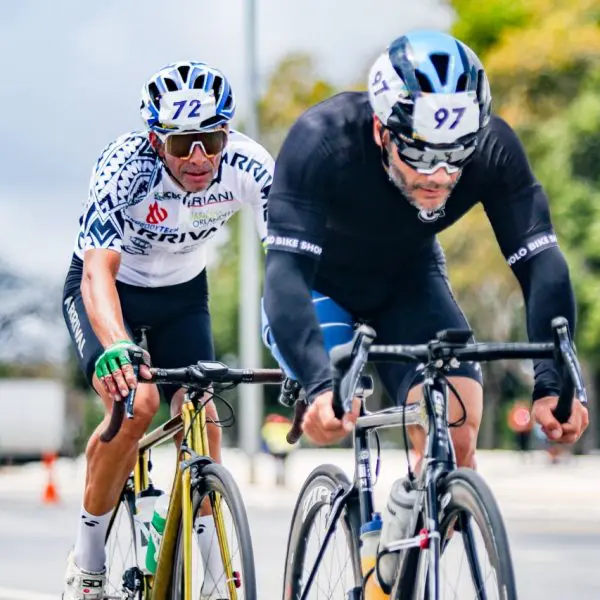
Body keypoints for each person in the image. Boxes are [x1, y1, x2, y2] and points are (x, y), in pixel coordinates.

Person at [262, 30, 588, 481]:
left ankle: (412, 537)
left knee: (455, 438)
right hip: (319, 286)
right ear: (382, 130)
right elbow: (286, 275)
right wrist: (319, 383)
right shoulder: (321, 140)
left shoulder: (493, 149)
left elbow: (540, 264)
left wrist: (553, 383)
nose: (439, 173)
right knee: (342, 403)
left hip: (408, 284)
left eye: (456, 154)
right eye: (419, 152)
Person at [62, 61, 273, 599]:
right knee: (139, 403)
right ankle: (87, 562)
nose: (199, 158)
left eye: (211, 139)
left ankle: (215, 576)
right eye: (183, 145)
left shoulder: (250, 165)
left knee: (199, 412)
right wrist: (117, 345)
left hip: (183, 293)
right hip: (111, 290)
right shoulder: (124, 167)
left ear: (226, 132)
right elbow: (96, 272)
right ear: (157, 141)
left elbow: (289, 262)